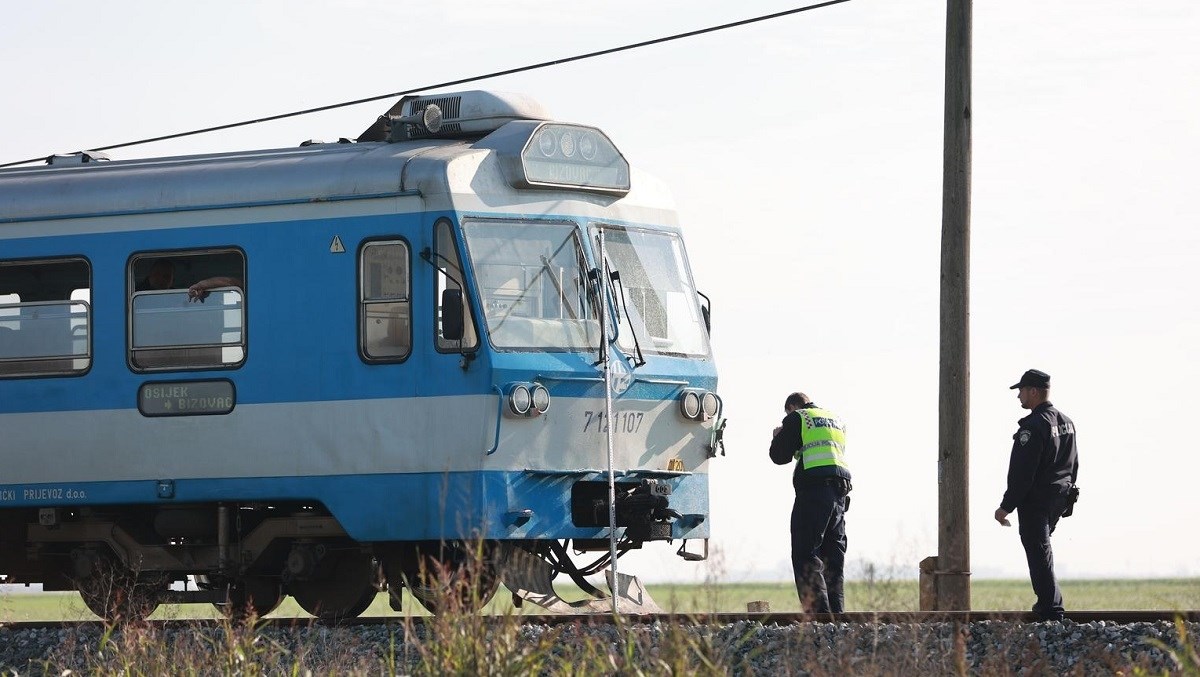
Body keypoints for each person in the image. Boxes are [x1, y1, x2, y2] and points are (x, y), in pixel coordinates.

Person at [994, 368, 1079, 622]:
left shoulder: (1033, 427)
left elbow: (1023, 474)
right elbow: (1074, 463)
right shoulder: (1066, 422)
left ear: (1033, 391)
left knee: (1037, 549)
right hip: (1059, 496)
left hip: (1037, 500)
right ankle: (1050, 604)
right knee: (1043, 548)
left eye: (1021, 390)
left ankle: (1050, 609)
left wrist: (1005, 507)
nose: (1018, 396)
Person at [769, 391, 852, 613]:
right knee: (833, 560)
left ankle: (821, 619)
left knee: (806, 554)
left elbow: (778, 456)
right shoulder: (835, 419)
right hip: (839, 495)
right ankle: (837, 618)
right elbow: (817, 451)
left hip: (814, 493)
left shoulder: (799, 417)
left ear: (792, 407)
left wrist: (779, 436)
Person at [134, 258, 241, 302]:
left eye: (166, 276)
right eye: (157, 274)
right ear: (149, 275)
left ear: (172, 280)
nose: (161, 279)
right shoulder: (135, 292)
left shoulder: (178, 297)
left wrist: (204, 291)